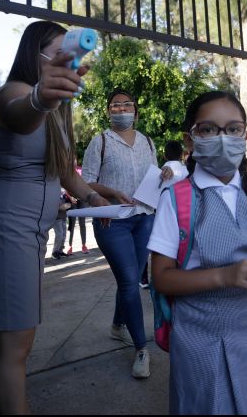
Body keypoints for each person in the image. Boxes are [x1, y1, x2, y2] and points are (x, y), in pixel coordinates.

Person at [0, 21, 110, 415]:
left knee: (20, 341)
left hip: (32, 231)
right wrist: (40, 98)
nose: (65, 58)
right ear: (33, 54)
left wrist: (94, 195)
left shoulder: (58, 106)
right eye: (56, 50)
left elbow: (64, 170)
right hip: (7, 226)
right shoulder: (15, 94)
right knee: (15, 345)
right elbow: (20, 113)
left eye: (69, 50)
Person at [148, 91, 247, 415]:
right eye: (209, 129)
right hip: (198, 338)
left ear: (246, 136)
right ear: (190, 139)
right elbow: (162, 279)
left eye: (233, 129)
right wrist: (226, 275)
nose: (223, 138)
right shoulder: (176, 200)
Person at [81, 88, 158, 379]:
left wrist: (164, 174)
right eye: (115, 105)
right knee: (129, 282)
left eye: (127, 104)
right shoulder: (100, 141)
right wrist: (111, 192)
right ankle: (141, 348)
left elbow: (154, 174)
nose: (122, 109)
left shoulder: (147, 141)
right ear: (108, 111)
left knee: (131, 279)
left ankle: (117, 325)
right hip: (112, 221)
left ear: (136, 110)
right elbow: (86, 181)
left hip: (144, 218)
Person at [139, 140, 189, 289]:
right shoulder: (187, 171)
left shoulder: (160, 171)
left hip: (160, 217)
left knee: (157, 250)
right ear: (181, 154)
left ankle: (144, 279)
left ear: (165, 154)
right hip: (184, 217)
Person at [66, 165, 89, 255]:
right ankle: (70, 246)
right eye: (72, 159)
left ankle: (84, 245)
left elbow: (85, 185)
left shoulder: (81, 170)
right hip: (73, 200)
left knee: (82, 224)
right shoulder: (67, 171)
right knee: (72, 224)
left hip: (82, 200)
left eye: (74, 159)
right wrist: (71, 197)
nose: (73, 161)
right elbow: (66, 187)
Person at [50, 188, 75, 260]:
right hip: (57, 219)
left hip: (63, 217)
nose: (63, 191)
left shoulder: (63, 197)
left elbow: (70, 203)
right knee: (59, 235)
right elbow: (55, 207)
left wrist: (69, 203)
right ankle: (54, 252)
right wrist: (62, 207)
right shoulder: (54, 197)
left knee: (64, 235)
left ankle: (60, 251)